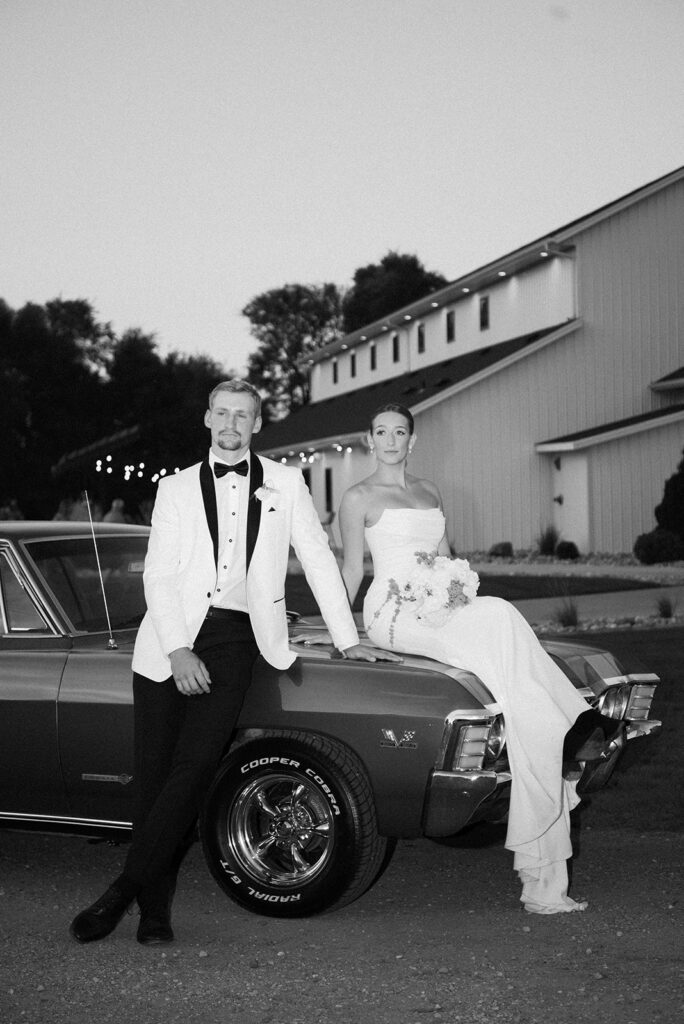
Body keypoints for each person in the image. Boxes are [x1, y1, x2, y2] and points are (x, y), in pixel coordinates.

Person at [69, 379, 394, 946]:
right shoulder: (174, 488)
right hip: (168, 642)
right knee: (153, 780)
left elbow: (317, 558)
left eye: (242, 416)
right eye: (222, 414)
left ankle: (118, 891)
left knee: (194, 769)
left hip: (238, 638)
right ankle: (154, 911)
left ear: (257, 423)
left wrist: (346, 637)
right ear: (207, 418)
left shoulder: (286, 483)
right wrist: (177, 650)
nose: (230, 424)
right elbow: (158, 575)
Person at [306, 402, 622, 915]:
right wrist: (339, 632)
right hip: (393, 610)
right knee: (498, 613)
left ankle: (551, 756)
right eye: (381, 431)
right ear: (369, 439)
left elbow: (449, 558)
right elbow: (351, 570)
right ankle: (577, 722)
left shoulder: (429, 491)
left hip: (437, 600)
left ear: (413, 441)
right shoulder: (357, 496)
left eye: (399, 432)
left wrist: (453, 588)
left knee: (511, 668)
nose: (390, 439)